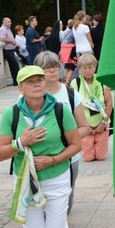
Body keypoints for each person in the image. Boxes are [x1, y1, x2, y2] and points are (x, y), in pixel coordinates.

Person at [0, 66, 82, 228]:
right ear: (21, 88)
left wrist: (52, 160)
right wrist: (21, 142)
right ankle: (44, 219)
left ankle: (57, 220)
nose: (36, 85)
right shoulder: (11, 113)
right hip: (26, 179)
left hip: (56, 177)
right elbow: (0, 153)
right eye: (30, 82)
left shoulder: (61, 109)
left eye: (39, 80)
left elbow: (76, 145)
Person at [33, 52, 89, 212]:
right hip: (38, 155)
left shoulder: (70, 94)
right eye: (47, 67)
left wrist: (66, 142)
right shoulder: (30, 95)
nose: (52, 71)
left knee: (65, 201)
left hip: (68, 156)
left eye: (55, 66)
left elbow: (84, 127)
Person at [70, 54, 112, 162]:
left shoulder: (102, 81)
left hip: (102, 121)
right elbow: (71, 107)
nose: (88, 70)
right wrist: (84, 126)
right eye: (84, 68)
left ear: (95, 67)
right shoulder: (75, 84)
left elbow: (109, 104)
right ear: (80, 69)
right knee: (88, 158)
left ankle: (101, 141)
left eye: (90, 67)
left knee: (101, 156)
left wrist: (103, 123)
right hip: (84, 124)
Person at [0, 17, 21, 86]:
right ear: (4, 22)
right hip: (7, 50)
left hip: (11, 50)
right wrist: (11, 41)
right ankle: (17, 81)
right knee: (15, 66)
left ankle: (16, 81)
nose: (10, 23)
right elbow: (2, 39)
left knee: (13, 66)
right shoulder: (3, 29)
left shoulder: (7, 29)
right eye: (9, 22)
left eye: (10, 21)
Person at [60, 19, 77, 84]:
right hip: (71, 50)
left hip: (64, 50)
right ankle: (67, 81)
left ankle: (66, 80)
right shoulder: (74, 32)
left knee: (66, 66)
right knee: (72, 66)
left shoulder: (64, 32)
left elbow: (61, 40)